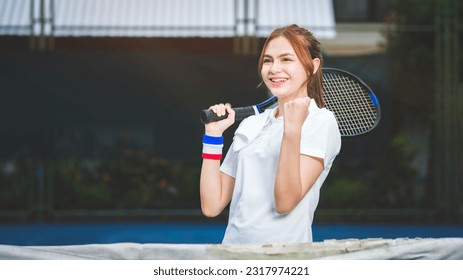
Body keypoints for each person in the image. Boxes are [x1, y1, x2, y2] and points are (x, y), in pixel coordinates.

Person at [200, 24, 341, 244]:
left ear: (312, 67)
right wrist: (213, 136)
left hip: (286, 260)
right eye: (268, 60)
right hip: (231, 256)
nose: (274, 68)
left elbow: (285, 203)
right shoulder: (250, 123)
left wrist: (292, 129)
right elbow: (212, 205)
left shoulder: (321, 121)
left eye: (286, 59)